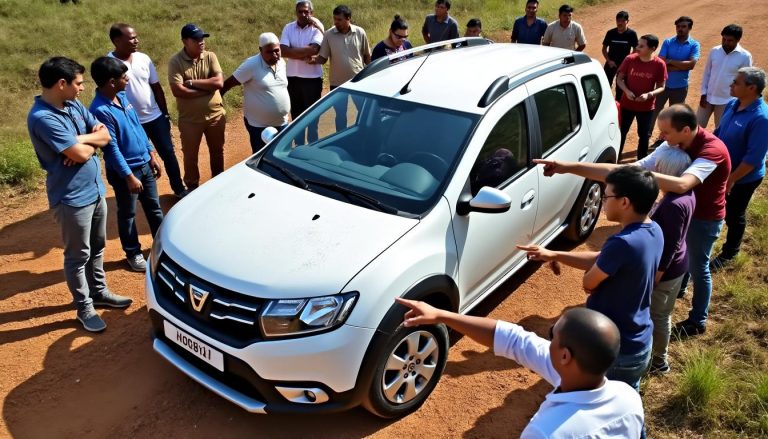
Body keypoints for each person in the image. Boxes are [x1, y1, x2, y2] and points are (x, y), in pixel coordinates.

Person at [535, 104, 730, 338]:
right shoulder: (673, 147)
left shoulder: (712, 150)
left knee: (699, 267)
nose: (661, 137)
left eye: (666, 132)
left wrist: (640, 178)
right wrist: (567, 167)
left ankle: (698, 319)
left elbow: (682, 184)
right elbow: (625, 170)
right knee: (679, 258)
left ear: (686, 130)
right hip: (686, 210)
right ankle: (675, 288)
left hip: (704, 218)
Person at [396, 301, 644, 438]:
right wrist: (441, 315)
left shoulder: (546, 432)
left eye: (552, 334)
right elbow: (515, 340)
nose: (547, 340)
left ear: (565, 356)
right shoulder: (628, 397)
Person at [519, 166, 663, 391]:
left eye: (607, 196)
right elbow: (602, 259)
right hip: (639, 341)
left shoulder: (622, 242)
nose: (603, 200)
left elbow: (589, 282)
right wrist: (554, 254)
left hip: (615, 349)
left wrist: (593, 278)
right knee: (626, 403)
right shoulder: (653, 230)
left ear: (624, 202)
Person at [27, 57, 132, 332]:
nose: (82, 89)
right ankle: (84, 307)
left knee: (97, 248)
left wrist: (80, 139)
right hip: (71, 198)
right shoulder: (42, 118)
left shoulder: (71, 104)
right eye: (78, 83)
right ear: (62, 84)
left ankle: (99, 292)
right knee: (78, 255)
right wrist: (83, 143)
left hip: (95, 190)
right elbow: (81, 153)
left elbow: (104, 134)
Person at [89, 56, 164, 272]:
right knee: (128, 213)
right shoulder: (100, 111)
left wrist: (151, 153)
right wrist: (128, 176)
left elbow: (138, 127)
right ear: (111, 82)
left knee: (154, 209)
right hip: (126, 172)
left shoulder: (123, 97)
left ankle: (162, 246)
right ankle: (133, 253)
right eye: (123, 77)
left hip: (144, 164)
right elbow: (111, 149)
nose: (128, 79)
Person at [108, 23, 187, 198]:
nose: (137, 40)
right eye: (132, 38)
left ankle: (179, 189)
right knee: (138, 159)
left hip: (155, 117)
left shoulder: (144, 58)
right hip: (130, 122)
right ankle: (143, 194)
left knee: (168, 153)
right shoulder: (109, 64)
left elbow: (156, 87)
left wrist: (165, 114)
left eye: (136, 36)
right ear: (117, 40)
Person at [709, 67, 768, 271]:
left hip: (743, 177)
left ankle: (730, 252)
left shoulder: (761, 118)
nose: (731, 85)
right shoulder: (733, 104)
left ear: (751, 88)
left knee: (734, 213)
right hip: (723, 172)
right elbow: (718, 133)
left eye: (736, 83)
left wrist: (731, 179)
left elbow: (753, 158)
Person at [646, 147, 695, 374]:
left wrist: (657, 275)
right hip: (676, 267)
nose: (656, 169)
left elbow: (671, 246)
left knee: (659, 315)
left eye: (659, 167)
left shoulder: (673, 205)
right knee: (660, 313)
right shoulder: (685, 194)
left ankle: (658, 361)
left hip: (668, 271)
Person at [168, 23, 226, 191]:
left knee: (217, 151)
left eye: (202, 38)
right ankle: (192, 187)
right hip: (190, 120)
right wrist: (207, 91)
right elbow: (178, 90)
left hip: (215, 116)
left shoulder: (210, 56)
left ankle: (218, 183)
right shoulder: (176, 61)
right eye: (196, 39)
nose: (201, 42)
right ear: (185, 41)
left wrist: (193, 83)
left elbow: (219, 82)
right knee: (190, 155)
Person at [222, 33, 290, 153]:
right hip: (259, 126)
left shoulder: (282, 62)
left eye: (277, 50)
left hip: (282, 122)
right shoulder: (251, 65)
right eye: (269, 52)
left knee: (283, 155)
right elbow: (227, 84)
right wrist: (218, 103)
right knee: (261, 158)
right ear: (260, 50)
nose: (274, 55)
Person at [310, 5, 371, 130]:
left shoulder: (360, 32)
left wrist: (371, 75)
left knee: (363, 112)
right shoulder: (329, 35)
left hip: (358, 81)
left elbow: (367, 56)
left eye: (339, 19)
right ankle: (341, 139)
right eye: (334, 19)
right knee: (340, 115)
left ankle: (363, 135)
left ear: (348, 18)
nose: (335, 22)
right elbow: (323, 58)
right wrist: (310, 60)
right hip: (337, 84)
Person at [648, 17, 700, 144]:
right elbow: (661, 62)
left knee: (674, 116)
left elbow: (691, 65)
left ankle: (664, 139)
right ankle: (646, 136)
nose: (680, 29)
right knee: (654, 111)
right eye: (678, 27)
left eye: (683, 27)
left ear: (689, 28)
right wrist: (681, 65)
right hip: (662, 85)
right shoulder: (668, 42)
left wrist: (670, 61)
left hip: (680, 87)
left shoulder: (694, 44)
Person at [280, 1, 324, 146]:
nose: (303, 14)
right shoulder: (288, 27)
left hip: (312, 80)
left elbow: (314, 50)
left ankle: (312, 147)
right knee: (297, 117)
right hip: (292, 79)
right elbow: (283, 51)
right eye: (300, 11)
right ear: (296, 12)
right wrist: (302, 53)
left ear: (312, 13)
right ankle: (298, 147)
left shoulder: (317, 28)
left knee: (312, 118)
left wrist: (292, 52)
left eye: (306, 11)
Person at [616, 34, 667, 159]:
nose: (637, 48)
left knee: (644, 135)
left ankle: (641, 161)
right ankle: (616, 157)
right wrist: (627, 91)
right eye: (638, 45)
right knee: (621, 132)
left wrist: (649, 95)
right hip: (627, 104)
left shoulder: (659, 64)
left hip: (646, 107)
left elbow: (662, 86)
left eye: (641, 46)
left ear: (652, 48)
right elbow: (619, 79)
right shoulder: (629, 59)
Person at [696, 24, 752, 129]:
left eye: (729, 40)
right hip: (707, 98)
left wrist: (738, 101)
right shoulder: (714, 51)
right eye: (724, 39)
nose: (725, 43)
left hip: (727, 102)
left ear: (738, 39)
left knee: (721, 131)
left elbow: (745, 80)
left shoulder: (745, 56)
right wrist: (703, 93)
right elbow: (707, 73)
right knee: (695, 128)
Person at [602, 11, 638, 101]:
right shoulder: (610, 33)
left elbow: (635, 50)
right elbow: (604, 49)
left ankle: (618, 105)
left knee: (620, 88)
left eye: (622, 21)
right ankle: (605, 102)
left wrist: (627, 62)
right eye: (618, 20)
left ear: (627, 21)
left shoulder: (632, 34)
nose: (620, 23)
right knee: (605, 84)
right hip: (611, 63)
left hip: (624, 65)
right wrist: (609, 61)